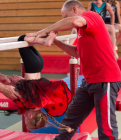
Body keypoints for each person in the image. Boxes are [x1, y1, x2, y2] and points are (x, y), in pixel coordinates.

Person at [26, 0, 121, 140]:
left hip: (104, 79)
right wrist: (56, 40)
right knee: (70, 120)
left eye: (65, 16)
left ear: (74, 10)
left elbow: (74, 22)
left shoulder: (92, 16)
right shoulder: (82, 31)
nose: (64, 20)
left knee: (106, 127)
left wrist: (45, 30)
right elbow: (77, 52)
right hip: (89, 81)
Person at [11, 34, 73, 132]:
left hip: (39, 64)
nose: (23, 116)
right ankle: (46, 40)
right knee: (21, 39)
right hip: (31, 65)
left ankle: (43, 37)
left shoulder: (40, 104)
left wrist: (21, 81)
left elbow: (31, 86)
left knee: (26, 42)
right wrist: (17, 83)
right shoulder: (30, 104)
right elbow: (24, 90)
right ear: (30, 116)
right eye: (25, 118)